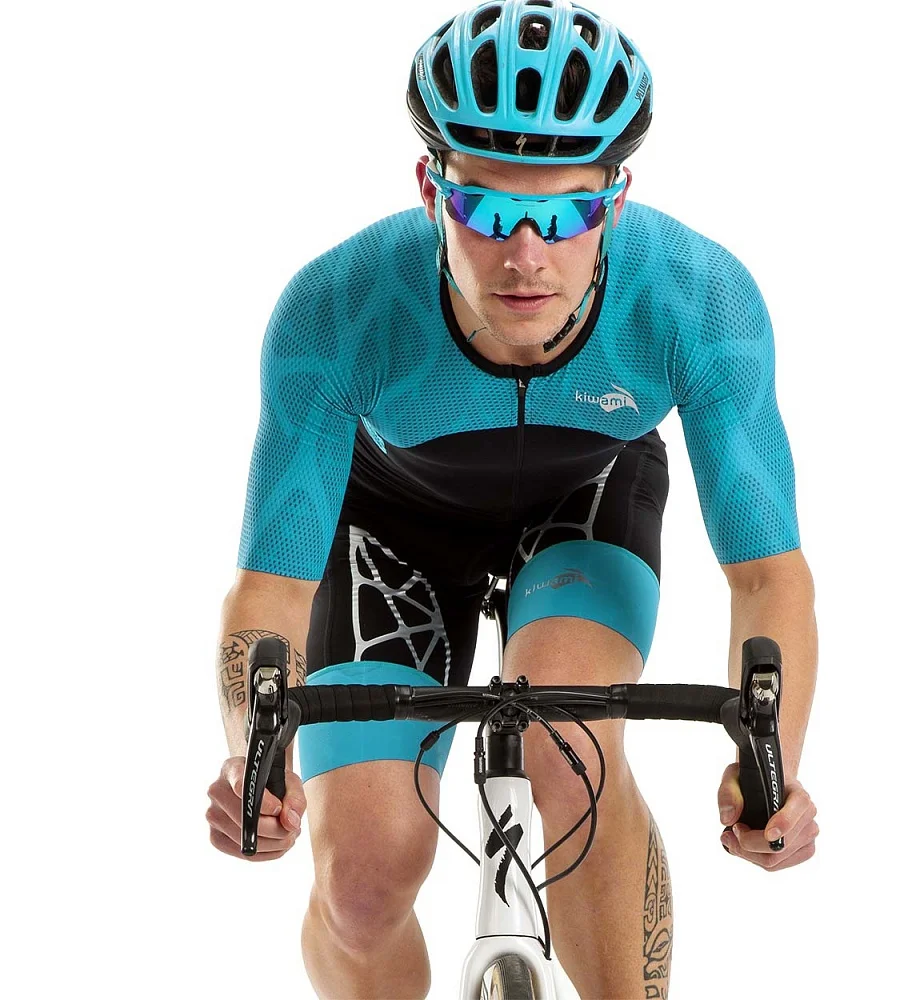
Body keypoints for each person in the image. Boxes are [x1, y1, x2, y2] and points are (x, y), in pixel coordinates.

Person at [205, 2, 820, 997]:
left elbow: (767, 576)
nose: (526, 255)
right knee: (362, 878)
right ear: (430, 190)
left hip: (585, 501)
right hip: (390, 527)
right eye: (487, 212)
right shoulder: (336, 309)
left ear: (616, 199)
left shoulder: (698, 300)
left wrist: (771, 769)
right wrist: (253, 760)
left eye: (569, 214)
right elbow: (270, 591)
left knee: (567, 749)